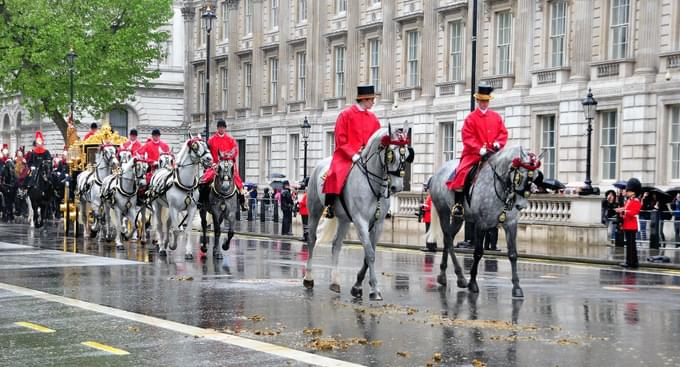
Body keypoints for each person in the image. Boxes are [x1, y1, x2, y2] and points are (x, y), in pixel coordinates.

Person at [446, 84, 508, 217]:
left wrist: (498, 143)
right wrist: (478, 149)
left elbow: (503, 133)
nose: (484, 103)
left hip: (493, 154)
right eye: (482, 101)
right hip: (474, 154)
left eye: (486, 101)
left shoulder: (496, 116)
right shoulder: (471, 118)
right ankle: (459, 205)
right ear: (478, 101)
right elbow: (467, 137)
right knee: (462, 172)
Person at [323, 85, 381, 218]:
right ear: (364, 100)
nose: (373, 102)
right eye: (372, 99)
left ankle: (380, 205)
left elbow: (377, 138)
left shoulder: (373, 118)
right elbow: (341, 140)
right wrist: (353, 155)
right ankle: (329, 206)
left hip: (367, 156)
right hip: (346, 156)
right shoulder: (345, 115)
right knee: (334, 174)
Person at [201, 119, 247, 210]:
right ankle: (201, 201)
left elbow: (235, 151)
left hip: (228, 165)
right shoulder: (211, 140)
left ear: (225, 128)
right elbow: (207, 153)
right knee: (204, 180)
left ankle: (243, 203)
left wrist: (228, 155)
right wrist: (211, 163)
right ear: (217, 128)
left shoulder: (230, 140)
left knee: (238, 183)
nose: (221, 129)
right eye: (220, 127)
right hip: (215, 165)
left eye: (223, 127)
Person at [615, 178, 642, 268]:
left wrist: (624, 211)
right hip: (627, 224)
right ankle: (630, 261)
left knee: (631, 245)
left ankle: (631, 262)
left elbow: (634, 212)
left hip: (632, 225)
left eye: (629, 191)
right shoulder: (629, 200)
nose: (627, 192)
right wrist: (620, 210)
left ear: (634, 192)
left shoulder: (636, 201)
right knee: (629, 245)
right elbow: (626, 209)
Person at [420, 181, 436, 252]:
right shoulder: (430, 196)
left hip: (429, 218)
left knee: (429, 232)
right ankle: (431, 246)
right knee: (430, 232)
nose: (427, 190)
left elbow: (431, 207)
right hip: (428, 217)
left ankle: (430, 247)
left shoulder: (431, 196)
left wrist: (423, 206)